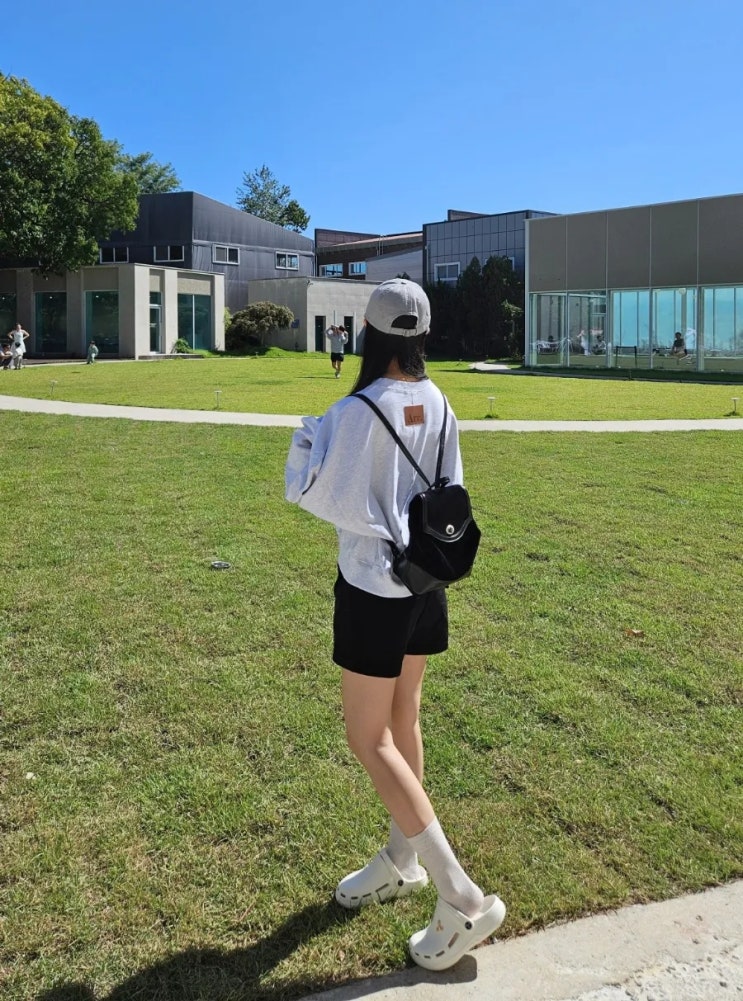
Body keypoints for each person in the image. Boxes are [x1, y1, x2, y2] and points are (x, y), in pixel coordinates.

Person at [285, 279, 505, 971]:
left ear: (370, 331)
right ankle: (400, 858)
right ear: (422, 333)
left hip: (373, 589)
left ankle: (460, 895)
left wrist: (304, 441)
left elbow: (312, 491)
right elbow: (450, 486)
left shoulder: (353, 411)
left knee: (367, 736)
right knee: (404, 715)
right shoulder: (437, 400)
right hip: (425, 580)